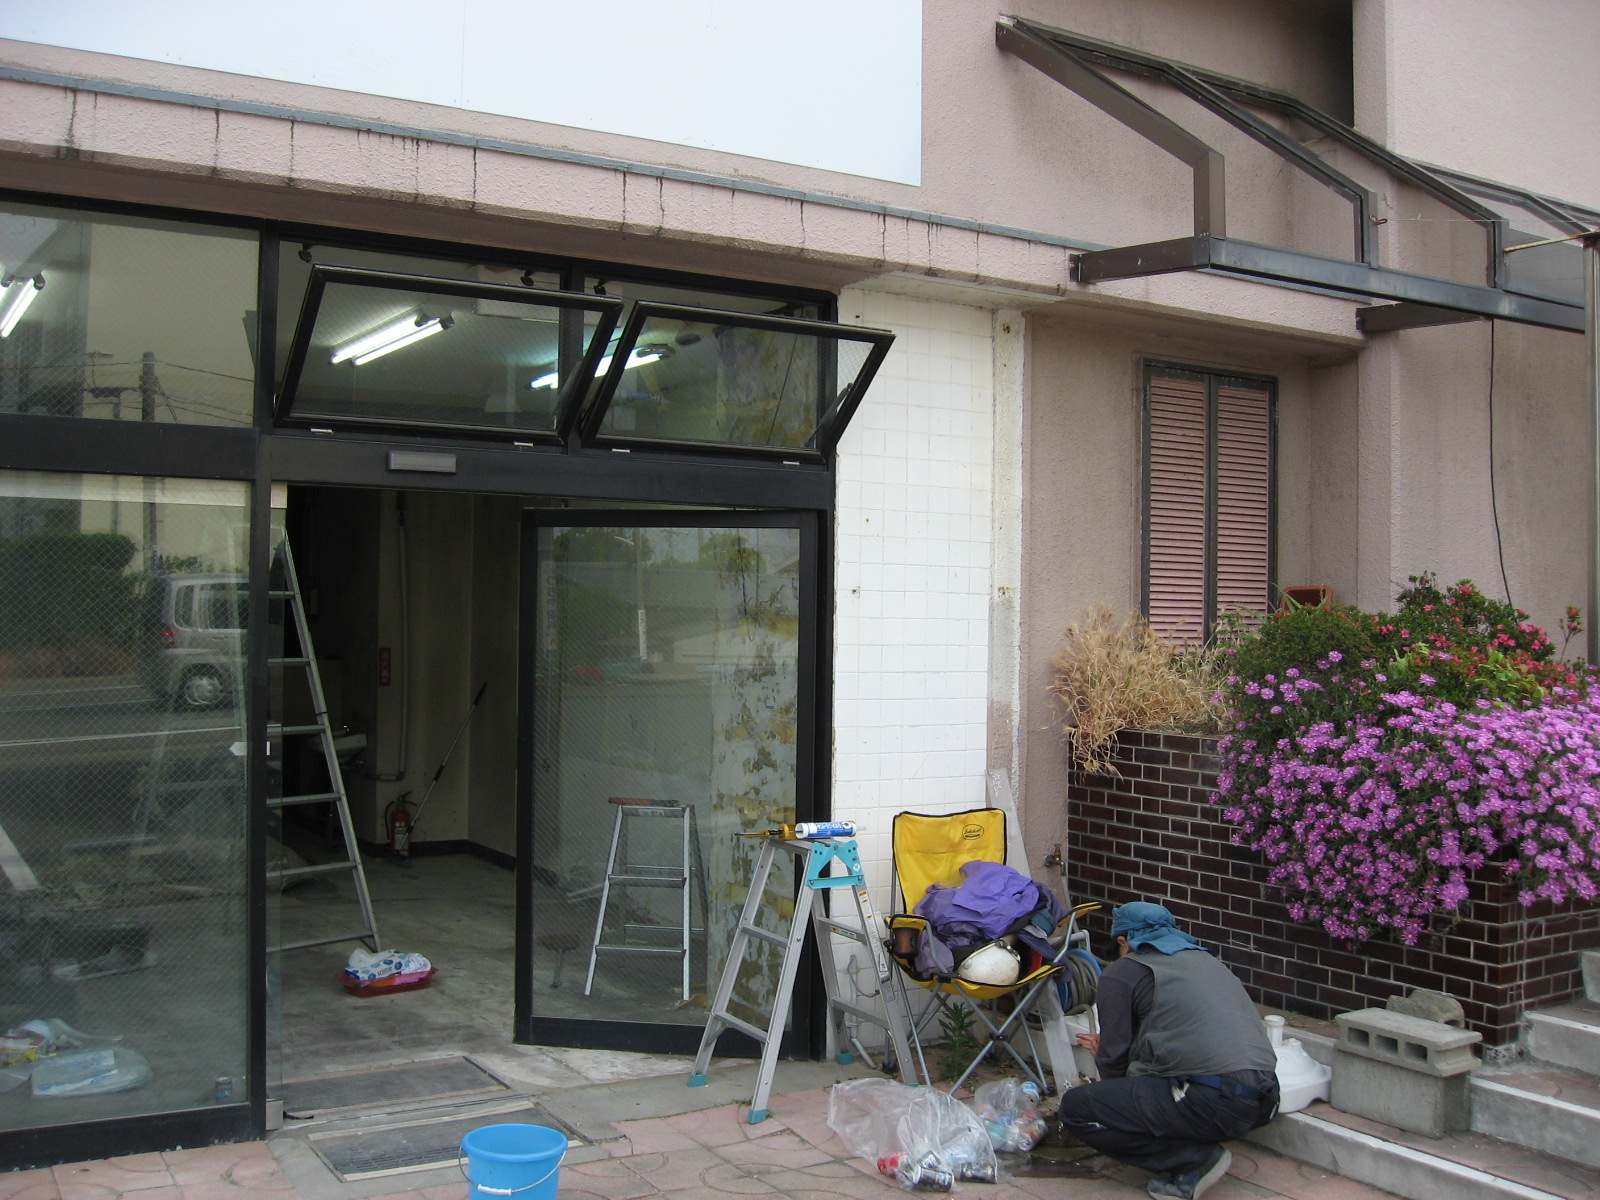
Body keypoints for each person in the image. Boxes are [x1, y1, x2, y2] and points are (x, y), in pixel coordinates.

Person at [1056, 902, 1280, 1200]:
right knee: (1163, 1089)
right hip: (1266, 1099)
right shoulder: (1207, 960)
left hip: (1217, 1102)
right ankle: (1195, 1134)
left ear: (1124, 941)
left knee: (1077, 1109)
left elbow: (1115, 1065)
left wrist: (1105, 1056)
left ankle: (1194, 1161)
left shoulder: (1123, 972)